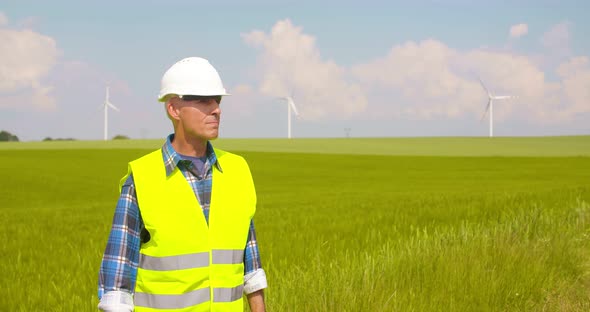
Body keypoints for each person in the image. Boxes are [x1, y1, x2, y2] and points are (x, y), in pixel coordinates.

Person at [97, 57, 267, 312]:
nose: (216, 109)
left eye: (218, 101)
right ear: (174, 109)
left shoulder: (238, 170)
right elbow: (116, 285)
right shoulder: (142, 178)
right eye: (203, 100)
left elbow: (251, 267)